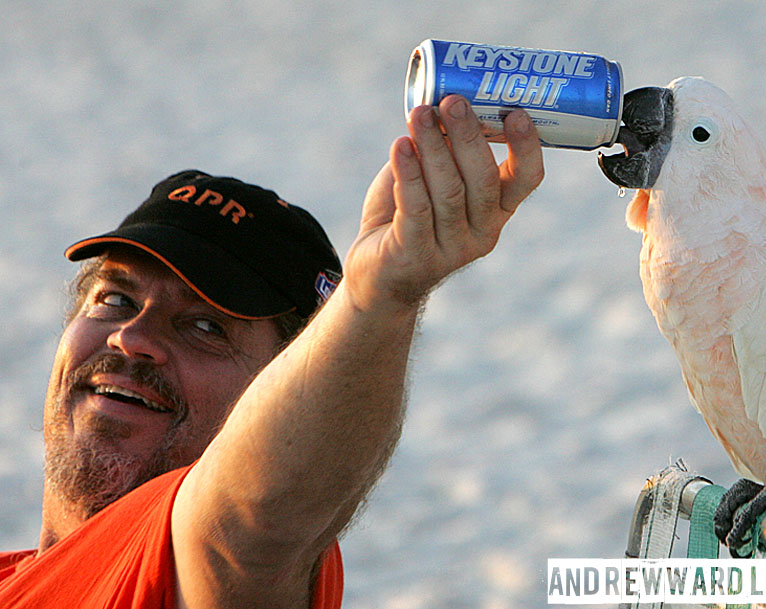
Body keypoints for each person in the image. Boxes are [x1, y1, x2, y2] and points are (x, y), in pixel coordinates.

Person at [0, 95, 544, 608]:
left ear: (281, 380)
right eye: (116, 298)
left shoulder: (210, 565)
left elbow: (255, 517)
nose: (134, 338)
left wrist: (378, 297)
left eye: (205, 326)